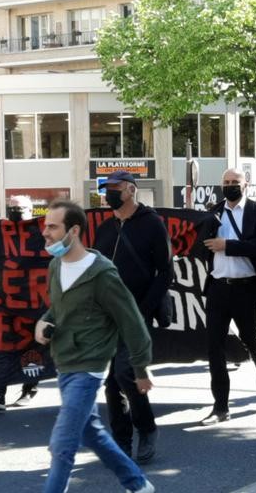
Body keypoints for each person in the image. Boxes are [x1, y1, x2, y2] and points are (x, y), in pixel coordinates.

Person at [35, 200, 155, 493]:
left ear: (73, 231)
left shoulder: (102, 273)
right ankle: (137, 484)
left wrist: (140, 369)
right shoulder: (55, 266)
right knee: (92, 433)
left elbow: (132, 322)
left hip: (89, 367)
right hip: (64, 362)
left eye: (52, 226)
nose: (45, 232)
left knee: (62, 445)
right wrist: (43, 322)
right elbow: (58, 309)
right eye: (45, 226)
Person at [94, 170, 171, 463]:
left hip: (137, 313)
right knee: (113, 382)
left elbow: (165, 273)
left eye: (113, 188)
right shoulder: (105, 228)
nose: (108, 193)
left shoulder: (152, 224)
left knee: (126, 372)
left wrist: (143, 309)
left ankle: (147, 428)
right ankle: (122, 442)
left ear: (130, 190)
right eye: (106, 189)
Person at [200, 167, 256, 425]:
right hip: (218, 288)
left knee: (252, 341)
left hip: (246, 288)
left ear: (246, 185)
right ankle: (220, 406)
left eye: (235, 182)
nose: (230, 185)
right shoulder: (213, 212)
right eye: (226, 182)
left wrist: (227, 246)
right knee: (214, 348)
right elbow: (200, 246)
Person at [0, 195, 38, 411]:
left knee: (33, 348)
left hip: (34, 303)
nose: (16, 211)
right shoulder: (0, 233)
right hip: (5, 302)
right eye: (12, 208)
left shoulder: (41, 232)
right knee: (2, 346)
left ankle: (29, 388)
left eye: (21, 208)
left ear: (31, 210)